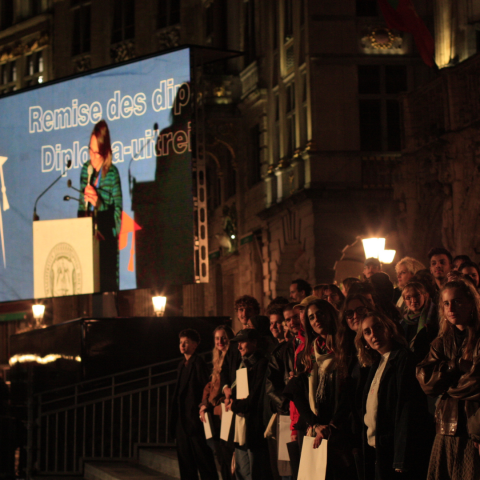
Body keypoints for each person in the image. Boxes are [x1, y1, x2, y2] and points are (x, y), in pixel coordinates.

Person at [417, 279, 480, 480]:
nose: (451, 307)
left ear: (471, 303)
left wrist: (447, 387)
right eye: (446, 303)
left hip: (474, 431)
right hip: (446, 428)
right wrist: (454, 365)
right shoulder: (441, 342)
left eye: (457, 301)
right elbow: (426, 381)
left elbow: (477, 382)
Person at [356, 311, 432, 480]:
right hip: (378, 449)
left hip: (393, 451)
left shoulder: (403, 359)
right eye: (367, 332)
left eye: (378, 327)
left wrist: (401, 458)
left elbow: (408, 409)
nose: (373, 334)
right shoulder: (376, 363)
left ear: (389, 329)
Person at [283, 299, 345, 478]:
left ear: (330, 315)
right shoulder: (308, 353)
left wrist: (330, 426)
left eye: (320, 314)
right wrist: (316, 425)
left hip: (340, 431)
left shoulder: (345, 348)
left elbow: (349, 393)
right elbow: (295, 391)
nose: (316, 319)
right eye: (311, 317)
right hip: (313, 428)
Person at [78, 119, 122, 291]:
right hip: (86, 251)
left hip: (106, 253)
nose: (92, 157)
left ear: (105, 153)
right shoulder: (85, 171)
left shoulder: (112, 174)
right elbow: (81, 211)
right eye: (90, 150)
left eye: (97, 154)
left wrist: (99, 204)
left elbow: (117, 221)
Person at [170, 329, 219, 480]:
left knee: (203, 461)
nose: (183, 345)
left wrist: (202, 408)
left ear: (195, 345)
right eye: (181, 342)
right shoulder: (182, 365)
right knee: (186, 463)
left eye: (186, 342)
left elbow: (205, 388)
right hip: (182, 421)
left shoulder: (198, 363)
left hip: (194, 421)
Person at [225, 328, 273, 480]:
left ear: (254, 342)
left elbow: (254, 398)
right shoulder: (243, 363)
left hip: (254, 427)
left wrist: (234, 405)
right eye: (237, 343)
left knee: (256, 471)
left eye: (242, 342)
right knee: (242, 471)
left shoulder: (262, 364)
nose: (239, 347)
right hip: (241, 425)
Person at [199, 325, 235, 480]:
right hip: (214, 413)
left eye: (223, 337)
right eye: (217, 338)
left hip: (225, 412)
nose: (220, 341)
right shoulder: (217, 359)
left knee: (227, 455)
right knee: (219, 454)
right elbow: (211, 386)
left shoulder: (233, 357)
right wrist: (204, 403)